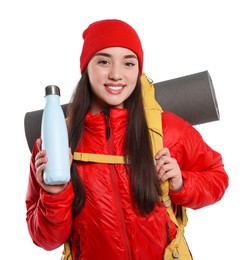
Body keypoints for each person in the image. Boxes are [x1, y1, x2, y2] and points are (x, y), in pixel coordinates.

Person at [25, 19, 229, 260]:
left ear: (139, 70)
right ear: (86, 68)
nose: (116, 74)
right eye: (103, 61)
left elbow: (217, 177)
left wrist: (181, 183)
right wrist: (54, 194)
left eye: (128, 63)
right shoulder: (55, 143)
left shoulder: (167, 129)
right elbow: (46, 240)